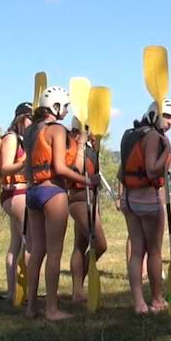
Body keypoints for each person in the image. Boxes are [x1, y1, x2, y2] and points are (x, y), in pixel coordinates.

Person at [24, 86, 98, 320]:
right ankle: (52, 309)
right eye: (65, 106)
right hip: (52, 192)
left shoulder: (31, 130)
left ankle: (31, 307)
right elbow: (60, 167)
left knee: (37, 252)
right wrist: (86, 180)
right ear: (55, 107)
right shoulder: (56, 129)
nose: (67, 110)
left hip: (32, 192)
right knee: (54, 253)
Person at [118, 98, 171, 315]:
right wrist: (167, 149)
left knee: (136, 251)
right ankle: (157, 300)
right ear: (155, 114)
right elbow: (152, 170)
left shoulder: (129, 135)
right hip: (147, 200)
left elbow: (120, 173)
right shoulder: (153, 136)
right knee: (153, 251)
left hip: (128, 199)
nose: (170, 122)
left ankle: (138, 304)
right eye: (167, 116)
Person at [68, 117, 108, 302]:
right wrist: (83, 143)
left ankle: (77, 290)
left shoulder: (90, 147)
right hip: (79, 200)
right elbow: (77, 168)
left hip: (90, 200)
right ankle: (78, 286)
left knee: (80, 246)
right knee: (100, 244)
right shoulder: (74, 146)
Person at [0, 102, 33, 301]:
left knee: (17, 243)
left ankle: (13, 292)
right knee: (30, 243)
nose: (32, 122)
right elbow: (5, 168)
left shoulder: (23, 139)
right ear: (20, 118)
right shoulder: (12, 138)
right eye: (30, 118)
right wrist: (25, 162)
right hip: (16, 193)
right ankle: (22, 291)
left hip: (18, 193)